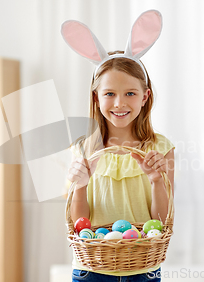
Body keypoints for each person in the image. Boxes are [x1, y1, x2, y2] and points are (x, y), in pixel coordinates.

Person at [62, 10, 174, 282]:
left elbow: (161, 224)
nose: (119, 104)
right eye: (109, 93)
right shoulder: (83, 150)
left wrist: (157, 181)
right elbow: (80, 227)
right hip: (92, 271)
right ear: (96, 97)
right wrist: (80, 186)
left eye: (130, 94)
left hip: (143, 270)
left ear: (145, 96)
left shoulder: (160, 148)